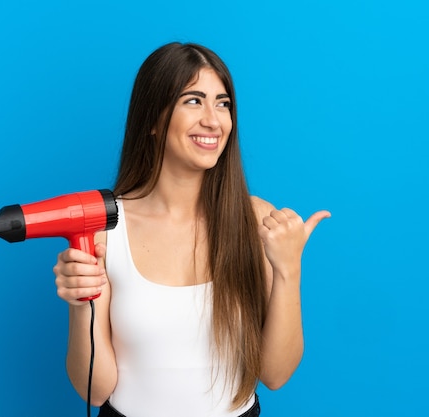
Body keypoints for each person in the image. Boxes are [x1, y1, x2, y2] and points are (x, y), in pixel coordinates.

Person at [53, 42, 330, 417]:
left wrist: (288, 268)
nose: (214, 120)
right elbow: (95, 391)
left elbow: (276, 374)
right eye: (193, 101)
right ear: (152, 119)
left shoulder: (256, 220)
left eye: (223, 103)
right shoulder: (104, 230)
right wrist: (80, 301)